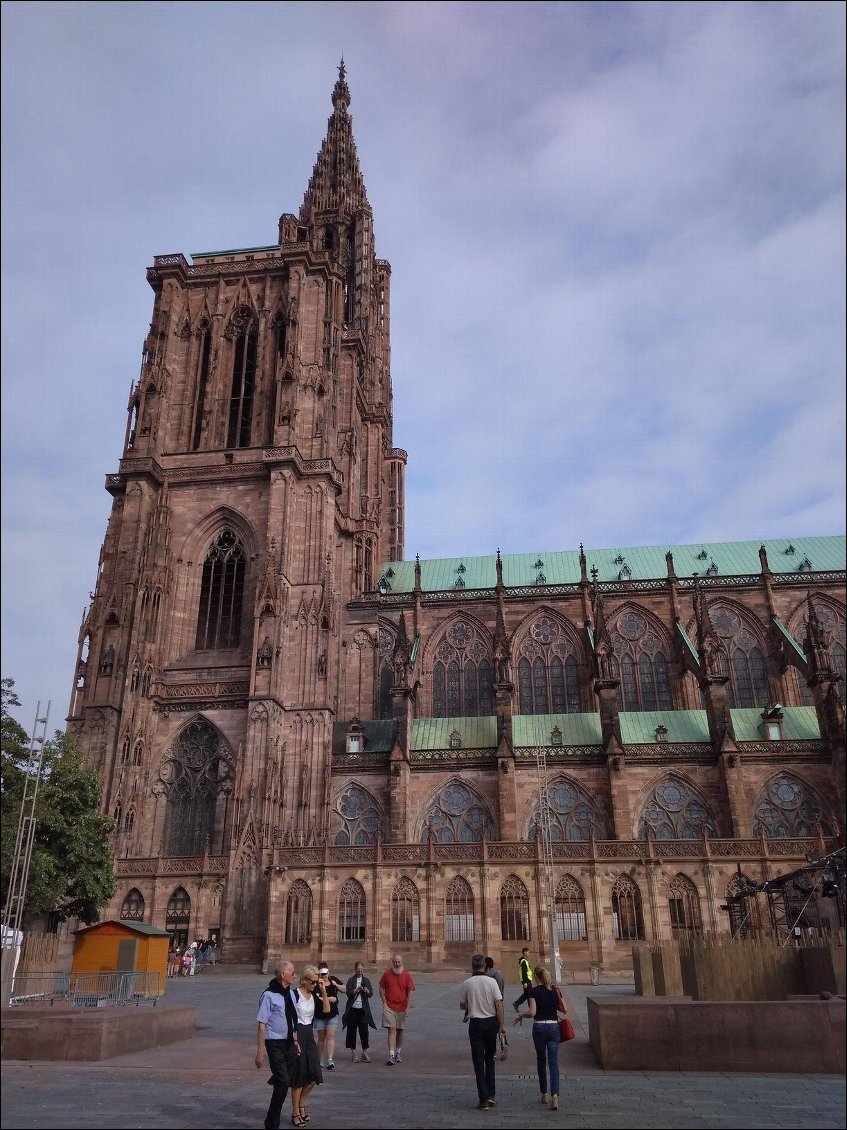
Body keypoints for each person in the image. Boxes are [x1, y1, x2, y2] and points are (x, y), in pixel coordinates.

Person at [512, 964, 566, 1111]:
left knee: (541, 1061)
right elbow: (565, 1009)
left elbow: (532, 1012)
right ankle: (555, 1096)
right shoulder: (555, 990)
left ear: (536, 977)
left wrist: (521, 1015)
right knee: (553, 1062)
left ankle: (544, 1094)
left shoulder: (534, 991)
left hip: (540, 1028)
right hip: (554, 1027)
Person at [256, 958, 301, 1130]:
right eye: (292, 972)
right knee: (283, 1082)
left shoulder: (290, 993)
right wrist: (260, 1051)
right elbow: (262, 1024)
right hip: (274, 1042)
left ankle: (277, 1076)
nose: (294, 975)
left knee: (283, 1082)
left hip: (289, 1042)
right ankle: (271, 1124)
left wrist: (296, 1040)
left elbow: (292, 1019)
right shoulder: (268, 995)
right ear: (283, 974)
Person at [459, 953, 506, 1111]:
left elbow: (462, 1005)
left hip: (476, 1024)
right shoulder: (492, 982)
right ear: (484, 967)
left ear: (472, 966)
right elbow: (499, 1005)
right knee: (490, 1059)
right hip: (491, 1023)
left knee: (478, 1061)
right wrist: (501, 1025)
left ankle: (483, 1098)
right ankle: (491, 1095)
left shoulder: (467, 983)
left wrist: (471, 1004)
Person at [290, 964, 331, 1126]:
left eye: (317, 981)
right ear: (305, 980)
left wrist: (323, 991)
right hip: (297, 1034)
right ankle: (295, 1113)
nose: (315, 984)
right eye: (313, 982)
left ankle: (301, 1104)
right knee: (298, 1078)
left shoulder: (314, 996)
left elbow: (327, 1010)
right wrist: (292, 1039)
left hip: (308, 1034)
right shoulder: (294, 995)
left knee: (314, 1075)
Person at [378, 952, 415, 1065]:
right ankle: (391, 1054)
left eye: (399, 962)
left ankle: (398, 1052)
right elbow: (381, 988)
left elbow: (410, 992)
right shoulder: (387, 974)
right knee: (391, 1029)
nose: (397, 964)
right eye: (395, 962)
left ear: (402, 962)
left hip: (402, 1007)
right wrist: (384, 1002)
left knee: (400, 1031)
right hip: (389, 1006)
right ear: (392, 963)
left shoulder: (407, 975)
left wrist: (408, 1007)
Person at [342, 960, 376, 1062]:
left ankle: (364, 1052)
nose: (359, 972)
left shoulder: (366, 980)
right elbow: (348, 993)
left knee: (364, 1031)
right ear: (355, 970)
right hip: (353, 1010)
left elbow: (370, 994)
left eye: (361, 971)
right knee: (352, 1032)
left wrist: (366, 990)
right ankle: (354, 1053)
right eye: (358, 971)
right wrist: (356, 990)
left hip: (363, 1010)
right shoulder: (351, 980)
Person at [313, 961, 343, 1069]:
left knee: (330, 1036)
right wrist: (329, 998)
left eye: (326, 973)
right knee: (321, 1038)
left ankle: (330, 1060)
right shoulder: (316, 983)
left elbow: (344, 989)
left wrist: (336, 985)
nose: (325, 976)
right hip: (320, 1014)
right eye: (322, 974)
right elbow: (315, 997)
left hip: (332, 1014)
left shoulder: (332, 979)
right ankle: (320, 1060)